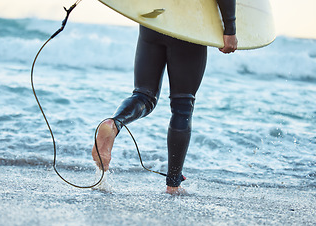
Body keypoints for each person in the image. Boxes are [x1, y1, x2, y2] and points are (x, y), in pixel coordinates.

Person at [92, 0, 238, 195]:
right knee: (182, 105)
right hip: (189, 24)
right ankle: (173, 184)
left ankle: (114, 123)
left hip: (153, 20)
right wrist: (230, 29)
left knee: (144, 95)